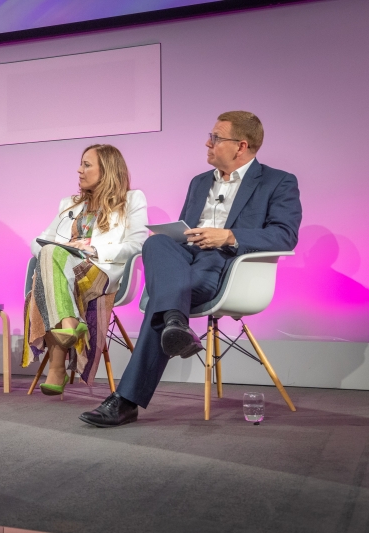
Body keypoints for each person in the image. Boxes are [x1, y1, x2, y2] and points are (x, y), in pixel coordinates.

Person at [80, 111, 302, 427]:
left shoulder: (277, 181)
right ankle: (175, 324)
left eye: (216, 138)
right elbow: (185, 234)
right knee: (156, 243)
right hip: (185, 262)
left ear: (241, 146)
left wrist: (228, 236)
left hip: (226, 267)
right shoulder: (199, 182)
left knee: (164, 299)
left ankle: (128, 396)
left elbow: (284, 234)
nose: (207, 143)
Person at [25, 144, 148, 396]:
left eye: (86, 165)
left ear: (107, 170)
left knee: (47, 279)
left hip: (99, 269)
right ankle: (69, 323)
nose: (79, 170)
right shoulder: (69, 203)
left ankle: (57, 367)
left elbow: (137, 245)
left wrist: (93, 249)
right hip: (64, 269)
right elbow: (37, 242)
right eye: (81, 164)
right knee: (50, 254)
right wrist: (58, 250)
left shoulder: (132, 199)